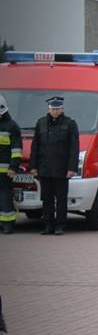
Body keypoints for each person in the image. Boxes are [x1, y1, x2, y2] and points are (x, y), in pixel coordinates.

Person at [31, 96, 79, 235]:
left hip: (62, 169)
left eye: (58, 109)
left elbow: (74, 148)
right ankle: (48, 225)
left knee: (61, 199)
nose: (55, 112)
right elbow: (35, 146)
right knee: (47, 199)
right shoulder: (41, 123)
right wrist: (34, 166)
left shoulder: (69, 124)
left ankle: (60, 225)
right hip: (44, 168)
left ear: (62, 109)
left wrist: (72, 168)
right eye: (53, 109)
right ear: (49, 109)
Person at [0, 94, 23, 234]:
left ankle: (8, 224)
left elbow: (16, 150)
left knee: (5, 197)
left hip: (5, 171)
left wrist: (13, 167)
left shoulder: (12, 126)